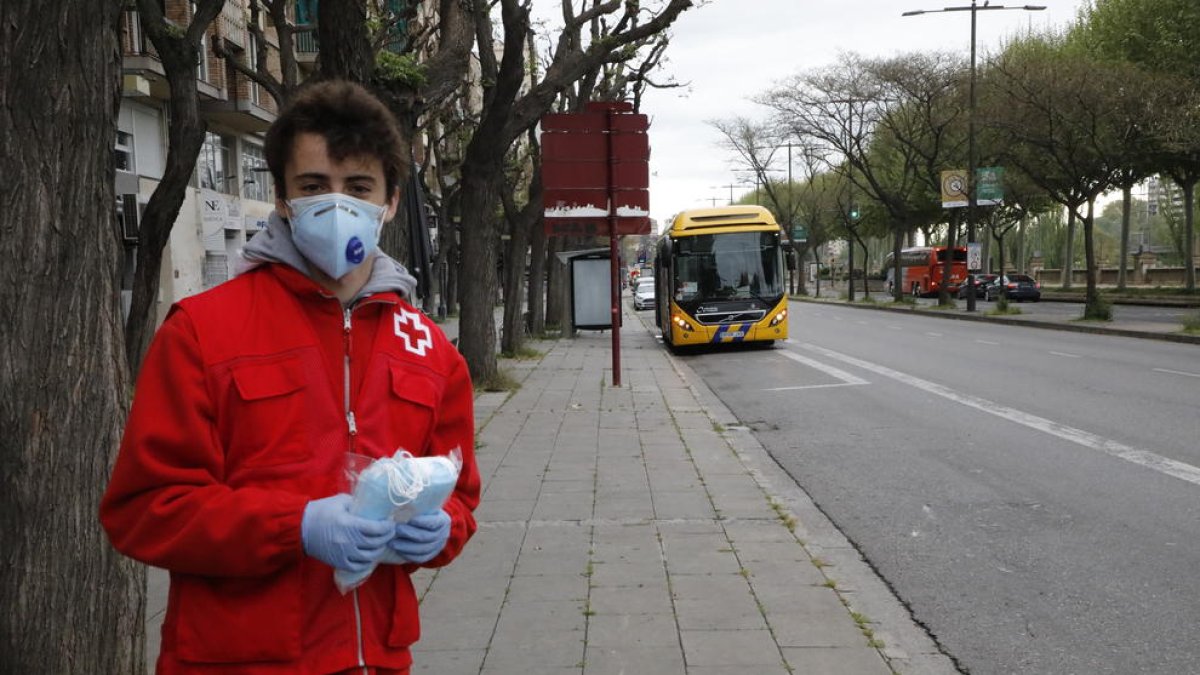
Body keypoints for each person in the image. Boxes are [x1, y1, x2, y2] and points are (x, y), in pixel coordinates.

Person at [100, 80, 480, 675]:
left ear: (391, 202)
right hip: (235, 661)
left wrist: (442, 530)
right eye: (312, 187)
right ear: (281, 199)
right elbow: (146, 509)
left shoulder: (430, 350)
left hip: (374, 660)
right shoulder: (202, 331)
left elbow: (460, 496)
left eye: (358, 188)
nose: (336, 205)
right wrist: (294, 526)